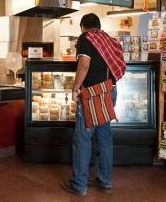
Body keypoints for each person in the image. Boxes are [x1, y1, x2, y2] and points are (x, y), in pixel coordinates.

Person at [61, 13, 125, 197]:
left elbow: (84, 64)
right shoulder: (108, 39)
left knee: (82, 139)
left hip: (92, 94)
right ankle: (105, 181)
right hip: (109, 91)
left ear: (83, 26)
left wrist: (75, 88)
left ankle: (79, 184)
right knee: (104, 138)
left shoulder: (86, 37)